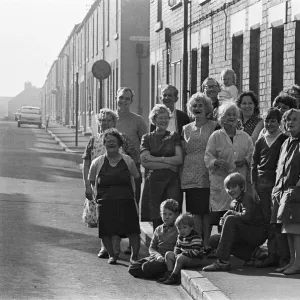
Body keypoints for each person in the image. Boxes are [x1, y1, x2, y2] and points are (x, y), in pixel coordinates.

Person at [82, 108, 137, 259]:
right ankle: (104, 247)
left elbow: (134, 158)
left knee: (117, 216)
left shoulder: (122, 138)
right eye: (102, 120)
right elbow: (86, 162)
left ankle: (115, 246)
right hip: (100, 185)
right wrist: (87, 185)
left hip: (120, 184)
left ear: (114, 121)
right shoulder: (93, 140)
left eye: (108, 120)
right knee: (103, 217)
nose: (105, 123)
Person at [202, 173, 268, 271]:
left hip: (256, 234)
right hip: (244, 235)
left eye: (234, 187)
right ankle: (252, 254)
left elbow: (247, 217)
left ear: (242, 187)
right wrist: (223, 222)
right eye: (228, 188)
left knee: (230, 219)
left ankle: (223, 261)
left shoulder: (247, 198)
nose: (231, 190)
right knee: (214, 240)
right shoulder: (233, 202)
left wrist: (231, 214)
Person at [204, 101, 254, 231]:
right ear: (222, 118)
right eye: (227, 115)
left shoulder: (245, 137)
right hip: (221, 183)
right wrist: (216, 162)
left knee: (238, 214)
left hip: (240, 181)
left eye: (234, 114)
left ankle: (235, 248)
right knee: (222, 217)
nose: (231, 117)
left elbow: (253, 155)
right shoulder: (215, 136)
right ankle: (221, 246)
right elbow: (208, 156)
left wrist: (245, 160)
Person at [251, 108, 289, 268]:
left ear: (279, 122)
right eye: (267, 121)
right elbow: (254, 164)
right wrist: (253, 187)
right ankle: (272, 254)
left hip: (277, 185)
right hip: (261, 186)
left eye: (273, 121)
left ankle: (283, 256)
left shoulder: (284, 139)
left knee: (278, 221)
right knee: (267, 221)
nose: (269, 124)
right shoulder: (260, 141)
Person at [181, 93, 217, 251]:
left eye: (200, 105)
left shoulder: (214, 125)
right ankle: (197, 243)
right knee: (195, 211)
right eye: (194, 106)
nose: (197, 108)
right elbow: (182, 151)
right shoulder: (185, 128)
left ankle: (207, 243)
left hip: (208, 172)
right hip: (190, 173)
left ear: (207, 108)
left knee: (206, 211)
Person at [115, 87, 148, 254]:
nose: (123, 101)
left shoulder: (138, 121)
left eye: (127, 99)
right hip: (112, 170)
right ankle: (114, 243)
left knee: (133, 205)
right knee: (114, 206)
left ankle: (131, 243)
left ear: (131, 101)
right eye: (121, 98)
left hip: (132, 169)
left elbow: (145, 144)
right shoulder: (111, 118)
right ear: (116, 98)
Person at [140, 104, 183, 229]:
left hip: (172, 182)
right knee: (156, 216)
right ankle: (157, 245)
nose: (164, 120)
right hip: (153, 182)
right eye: (160, 118)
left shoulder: (174, 136)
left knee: (173, 214)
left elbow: (179, 159)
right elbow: (146, 162)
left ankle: (172, 244)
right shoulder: (147, 138)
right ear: (154, 119)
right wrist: (169, 165)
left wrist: (156, 159)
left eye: (166, 118)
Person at [271, 109, 300, 275]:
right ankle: (292, 261)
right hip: (283, 191)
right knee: (287, 229)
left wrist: (297, 187)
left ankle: (298, 263)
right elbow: (279, 168)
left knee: (296, 230)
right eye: (288, 119)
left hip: (295, 191)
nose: (290, 122)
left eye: (295, 119)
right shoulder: (286, 142)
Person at [128, 199, 179, 279]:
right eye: (164, 214)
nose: (167, 217)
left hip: (167, 261)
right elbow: (152, 247)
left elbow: (178, 249)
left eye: (170, 214)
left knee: (146, 267)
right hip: (157, 258)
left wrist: (165, 258)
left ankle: (164, 272)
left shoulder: (178, 230)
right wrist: (157, 256)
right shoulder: (158, 229)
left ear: (176, 215)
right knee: (133, 268)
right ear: (160, 214)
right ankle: (158, 275)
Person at [159, 213, 203, 284]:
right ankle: (169, 272)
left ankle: (174, 276)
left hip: (195, 259)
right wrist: (176, 254)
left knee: (180, 258)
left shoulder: (195, 238)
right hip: (183, 257)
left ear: (191, 227)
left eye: (184, 227)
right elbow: (177, 246)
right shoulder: (180, 236)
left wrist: (182, 254)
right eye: (179, 228)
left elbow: (195, 252)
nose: (182, 230)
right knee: (168, 254)